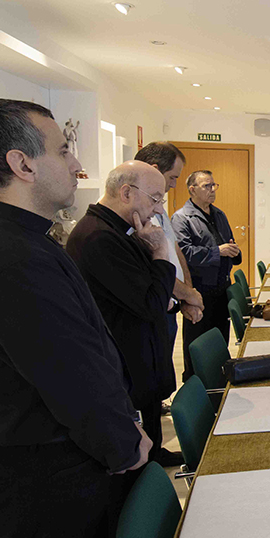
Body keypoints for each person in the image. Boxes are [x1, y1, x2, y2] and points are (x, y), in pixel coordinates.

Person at [0, 99, 150, 538]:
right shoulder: (10, 259)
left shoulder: (12, 240)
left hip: (57, 470)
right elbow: (71, 377)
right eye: (64, 150)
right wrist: (124, 445)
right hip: (49, 482)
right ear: (22, 164)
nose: (77, 165)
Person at [67, 161, 181, 468]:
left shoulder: (119, 230)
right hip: (127, 363)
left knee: (151, 440)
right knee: (138, 465)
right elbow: (150, 302)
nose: (158, 209)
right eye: (156, 198)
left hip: (141, 358)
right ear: (127, 192)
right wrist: (159, 253)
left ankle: (156, 456)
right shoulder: (99, 237)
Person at [133, 142, 204, 354]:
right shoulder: (135, 212)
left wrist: (187, 293)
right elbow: (151, 267)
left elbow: (175, 252)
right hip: (154, 310)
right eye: (172, 177)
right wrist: (189, 295)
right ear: (155, 170)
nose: (174, 185)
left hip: (171, 305)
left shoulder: (158, 209)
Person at [172, 169, 242, 378]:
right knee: (197, 341)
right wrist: (217, 251)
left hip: (222, 286)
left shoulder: (218, 214)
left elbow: (228, 241)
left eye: (214, 185)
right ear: (192, 189)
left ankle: (220, 379)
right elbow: (184, 254)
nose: (212, 190)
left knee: (220, 338)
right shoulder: (181, 218)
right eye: (207, 186)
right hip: (199, 290)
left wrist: (233, 250)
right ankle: (195, 381)